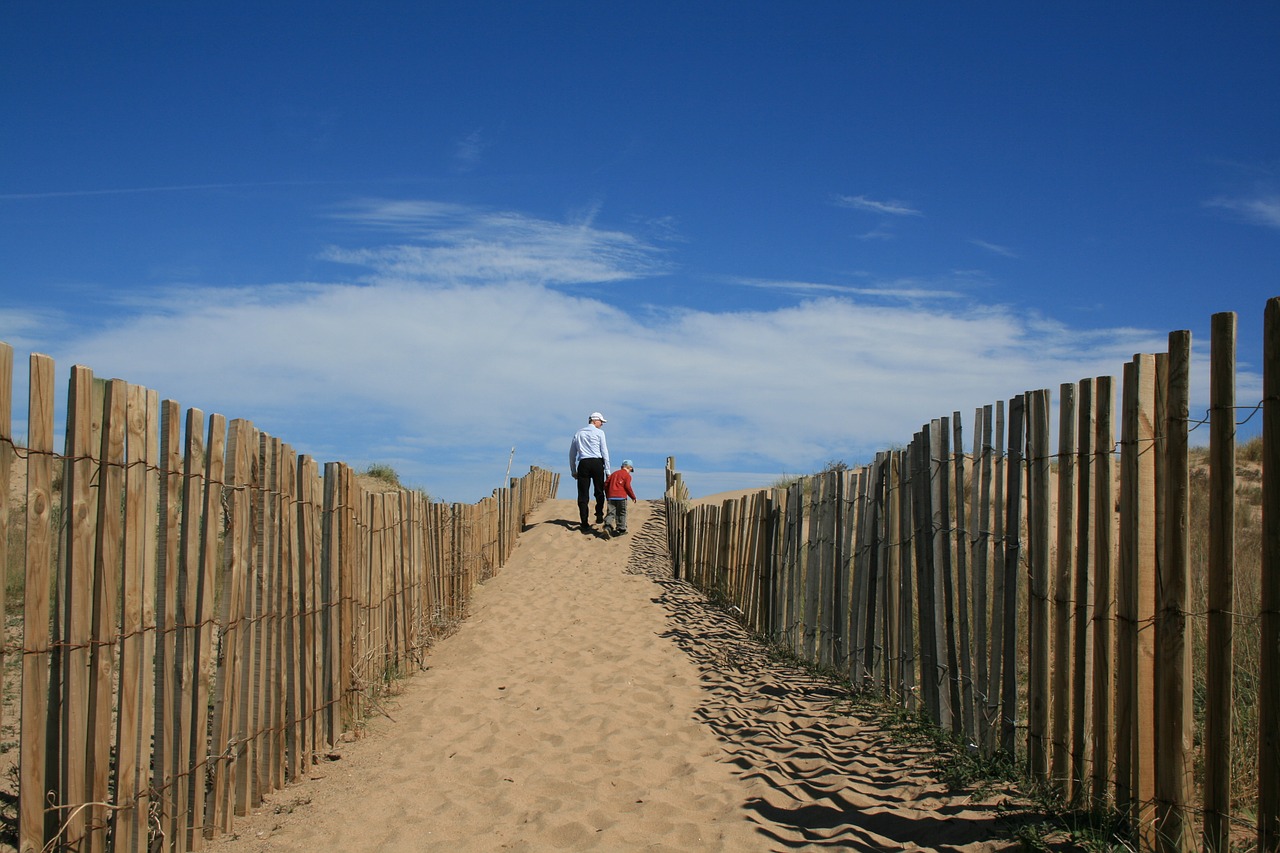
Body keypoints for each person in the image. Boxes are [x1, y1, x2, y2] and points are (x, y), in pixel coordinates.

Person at [569, 412, 610, 532]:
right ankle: (599, 513)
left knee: (583, 494)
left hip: (584, 463)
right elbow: (605, 452)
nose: (602, 424)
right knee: (599, 490)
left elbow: (572, 454)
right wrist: (608, 470)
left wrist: (573, 470)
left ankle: (584, 522)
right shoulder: (600, 433)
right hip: (597, 463)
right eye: (601, 421)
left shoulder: (579, 433)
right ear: (594, 420)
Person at [603, 460, 637, 535]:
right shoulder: (627, 475)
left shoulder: (613, 474)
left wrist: (607, 494)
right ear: (630, 468)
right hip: (621, 497)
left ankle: (607, 526)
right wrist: (633, 497)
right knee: (621, 512)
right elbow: (627, 487)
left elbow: (606, 484)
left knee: (611, 512)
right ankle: (621, 528)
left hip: (611, 497)